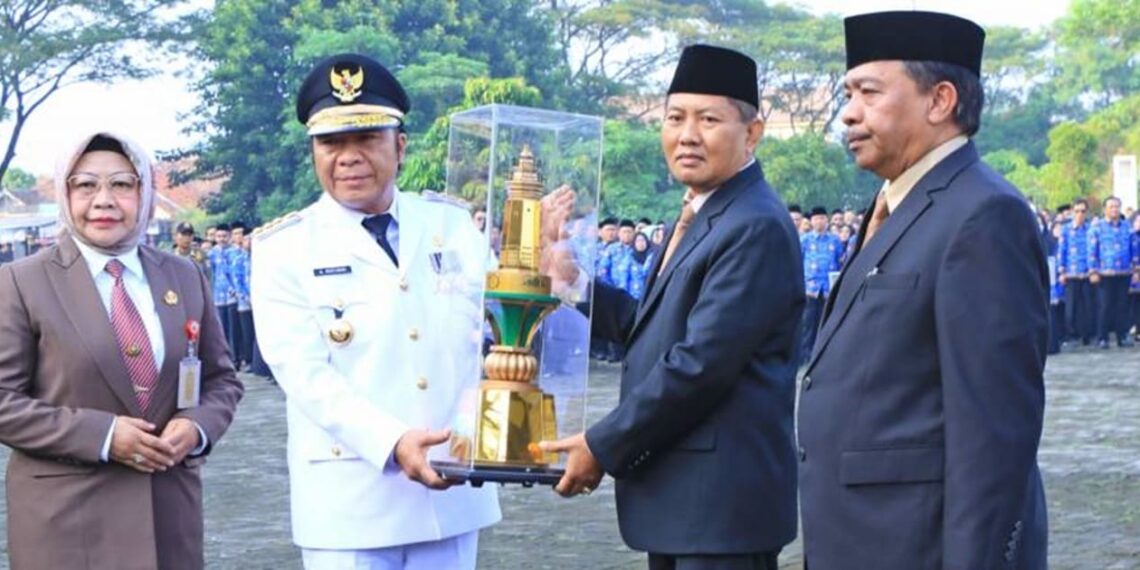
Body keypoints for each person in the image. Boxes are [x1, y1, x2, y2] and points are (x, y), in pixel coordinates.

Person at [797, 12, 1049, 569]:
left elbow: (994, 436)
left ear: (939, 101)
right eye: (848, 92)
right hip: (861, 540)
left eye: (869, 92)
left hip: (917, 547)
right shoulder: (896, 205)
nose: (848, 113)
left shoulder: (983, 214)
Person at [542, 44, 803, 570]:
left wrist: (601, 444)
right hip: (686, 504)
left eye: (709, 119)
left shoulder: (753, 224)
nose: (687, 135)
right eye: (674, 117)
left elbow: (699, 365)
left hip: (721, 512)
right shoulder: (704, 212)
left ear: (752, 133)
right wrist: (570, 280)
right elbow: (654, 327)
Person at [250, 53, 499, 570]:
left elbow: (499, 334)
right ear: (313, 153)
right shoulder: (284, 248)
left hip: (449, 493)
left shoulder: (452, 226)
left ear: (400, 146)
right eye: (331, 143)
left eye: (366, 138)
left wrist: (544, 272)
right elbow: (305, 374)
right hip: (352, 503)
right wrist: (393, 442)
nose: (348, 157)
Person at [0, 131, 243, 569]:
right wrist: (105, 437)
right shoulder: (20, 283)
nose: (104, 200)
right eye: (86, 185)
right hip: (66, 524)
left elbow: (221, 379)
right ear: (65, 194)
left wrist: (196, 427)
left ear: (146, 193)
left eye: (122, 185)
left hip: (168, 516)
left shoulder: (184, 276)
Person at [1087, 196, 1136, 348]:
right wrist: (1093, 271)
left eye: (1117, 206)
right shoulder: (1097, 227)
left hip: (1124, 272)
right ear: (1105, 209)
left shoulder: (1127, 226)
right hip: (1104, 273)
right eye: (1111, 206)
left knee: (1122, 306)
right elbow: (1091, 251)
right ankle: (1102, 338)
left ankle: (1122, 336)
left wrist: (1136, 269)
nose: (1114, 209)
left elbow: (1133, 248)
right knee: (1105, 306)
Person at [799, 206, 843, 362]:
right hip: (810, 289)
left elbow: (840, 262)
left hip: (827, 289)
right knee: (807, 324)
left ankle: (820, 356)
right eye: (816, 218)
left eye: (823, 218)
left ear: (827, 220)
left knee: (824, 323)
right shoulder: (804, 240)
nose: (820, 221)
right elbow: (798, 262)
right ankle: (804, 355)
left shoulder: (835, 241)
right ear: (811, 221)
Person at [1059, 198, 1094, 345]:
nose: (1080, 214)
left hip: (1087, 273)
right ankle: (1071, 335)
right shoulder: (1066, 229)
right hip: (1071, 273)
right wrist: (1062, 271)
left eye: (1083, 211)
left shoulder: (1091, 229)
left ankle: (1086, 335)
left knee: (1087, 306)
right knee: (1070, 308)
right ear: (1072, 212)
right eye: (1077, 211)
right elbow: (1062, 250)